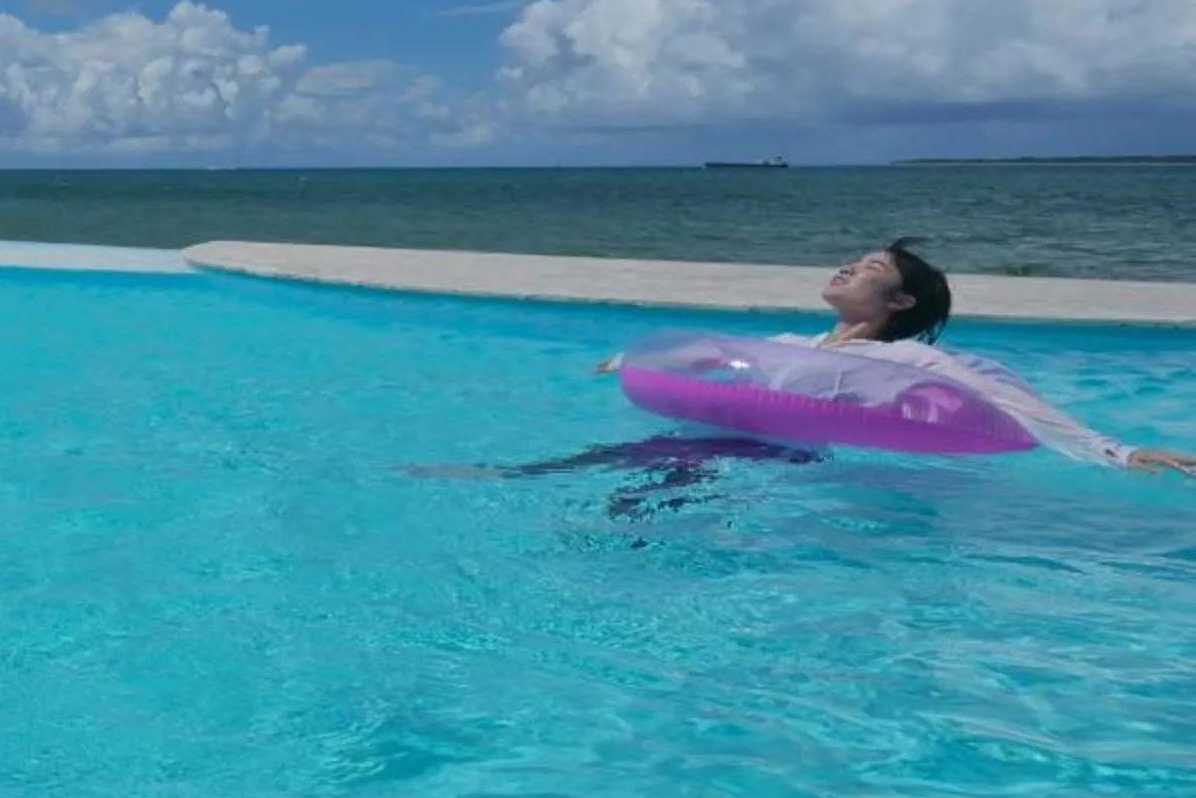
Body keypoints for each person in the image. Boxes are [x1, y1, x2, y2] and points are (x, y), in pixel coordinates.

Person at [435, 240, 1195, 504]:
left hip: (794, 452)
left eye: (866, 268)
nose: (846, 266)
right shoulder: (792, 340)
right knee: (642, 461)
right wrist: (633, 360)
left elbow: (1002, 398)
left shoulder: (905, 358)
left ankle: (623, 551)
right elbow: (705, 358)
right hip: (742, 439)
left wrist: (1118, 449)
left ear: (896, 300)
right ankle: (513, 479)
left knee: (666, 474)